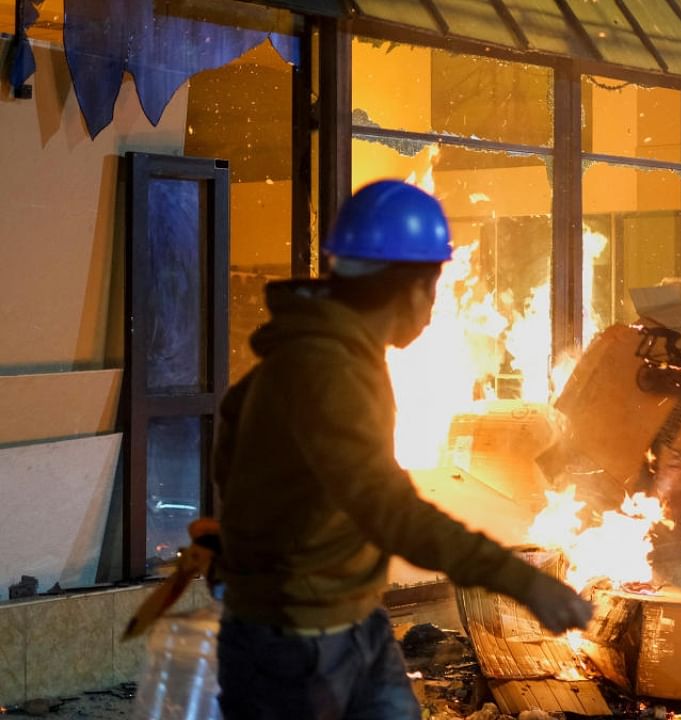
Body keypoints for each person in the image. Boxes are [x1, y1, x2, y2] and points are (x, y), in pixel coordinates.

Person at [212, 180, 593, 719]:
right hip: (295, 643)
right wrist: (520, 580)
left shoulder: (317, 354)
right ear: (407, 287)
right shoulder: (327, 370)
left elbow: (230, 439)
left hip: (347, 621)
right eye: (435, 288)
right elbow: (389, 510)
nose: (435, 307)